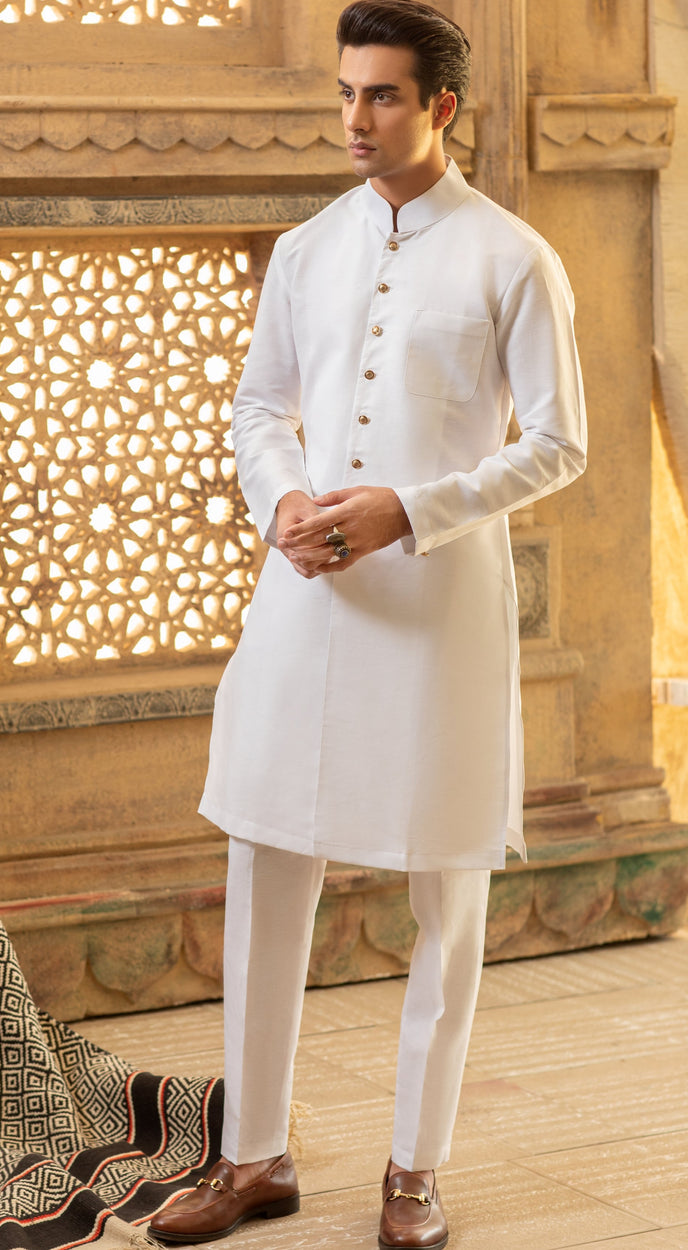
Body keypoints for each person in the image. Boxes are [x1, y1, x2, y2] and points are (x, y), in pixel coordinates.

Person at [147, 1, 587, 1246]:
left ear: (440, 104)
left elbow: (560, 443)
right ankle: (254, 1156)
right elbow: (256, 406)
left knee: (444, 893)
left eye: (381, 95)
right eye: (346, 92)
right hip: (302, 600)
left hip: (437, 608)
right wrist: (280, 497)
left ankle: (412, 1168)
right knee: (264, 852)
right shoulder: (307, 247)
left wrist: (411, 509)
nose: (354, 117)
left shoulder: (512, 256)